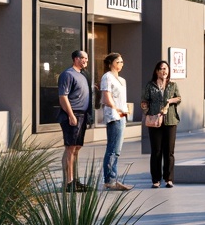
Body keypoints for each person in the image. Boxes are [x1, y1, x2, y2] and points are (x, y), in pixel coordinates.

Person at [140, 60, 181, 188]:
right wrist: (148, 113)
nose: (164, 71)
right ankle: (156, 179)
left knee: (169, 151)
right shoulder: (150, 85)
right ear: (157, 71)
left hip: (170, 120)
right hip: (155, 122)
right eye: (162, 69)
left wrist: (170, 100)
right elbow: (144, 101)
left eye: (166, 69)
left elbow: (179, 98)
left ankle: (169, 179)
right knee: (156, 151)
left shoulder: (172, 85)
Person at [57, 50, 93, 191]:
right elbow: (63, 97)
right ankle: (68, 183)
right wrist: (71, 115)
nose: (85, 61)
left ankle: (73, 180)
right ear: (75, 59)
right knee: (70, 148)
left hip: (82, 115)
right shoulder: (67, 74)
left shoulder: (83, 75)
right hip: (72, 115)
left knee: (76, 148)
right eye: (83, 58)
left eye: (86, 59)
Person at [99, 53, 133, 190]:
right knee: (113, 148)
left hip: (122, 116)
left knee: (117, 149)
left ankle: (113, 178)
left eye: (122, 61)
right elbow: (106, 97)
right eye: (119, 61)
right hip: (114, 116)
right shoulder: (107, 77)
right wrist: (116, 109)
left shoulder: (122, 80)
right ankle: (110, 180)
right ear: (111, 63)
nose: (121, 64)